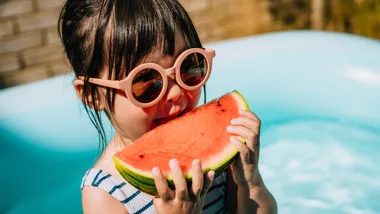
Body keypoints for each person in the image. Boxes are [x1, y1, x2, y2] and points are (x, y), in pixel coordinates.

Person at [58, 0, 277, 213]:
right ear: (93, 95)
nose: (176, 92)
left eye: (189, 65)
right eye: (146, 82)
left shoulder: (220, 147)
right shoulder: (105, 193)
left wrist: (251, 182)